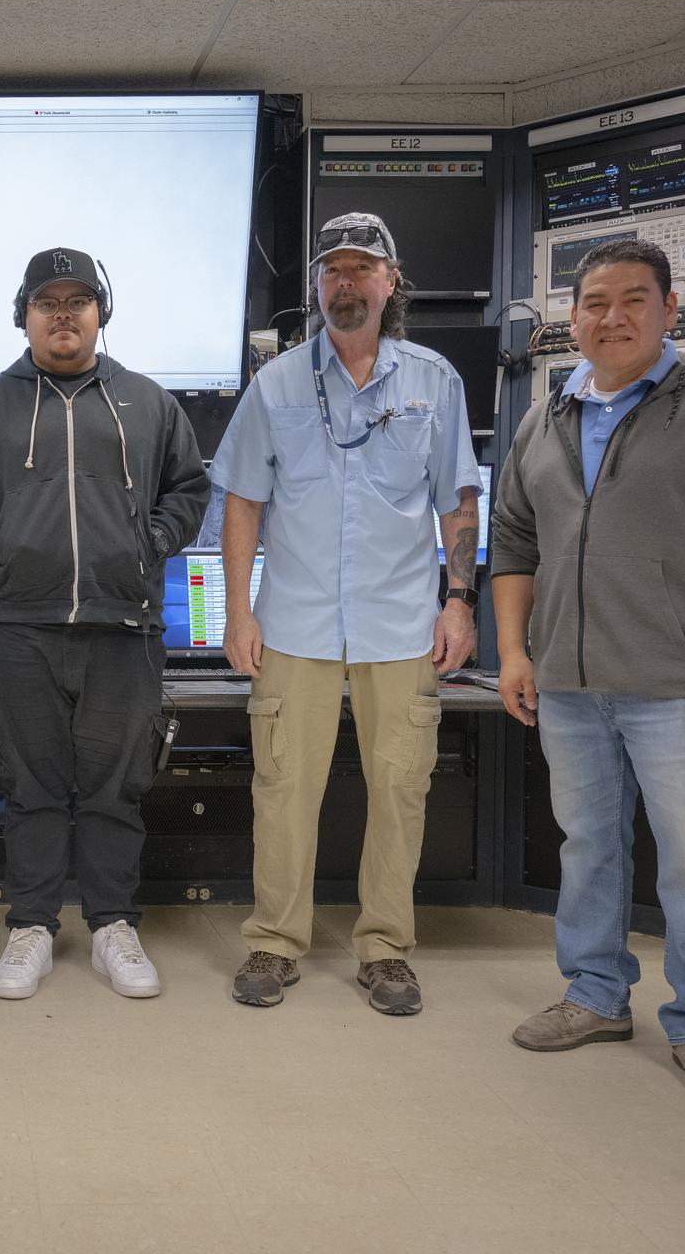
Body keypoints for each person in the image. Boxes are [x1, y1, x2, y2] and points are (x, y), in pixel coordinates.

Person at [493, 237, 685, 1108]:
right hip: (570, 688)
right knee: (588, 848)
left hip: (683, 688)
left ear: (671, 311)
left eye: (634, 300)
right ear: (573, 319)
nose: (612, 317)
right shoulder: (543, 417)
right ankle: (595, 995)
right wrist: (517, 653)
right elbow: (515, 543)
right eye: (594, 302)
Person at [213, 212, 481, 1016]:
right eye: (333, 270)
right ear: (317, 285)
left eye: (363, 269)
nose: (346, 283)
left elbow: (458, 501)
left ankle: (385, 949)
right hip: (292, 623)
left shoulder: (434, 382)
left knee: (399, 788)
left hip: (400, 627)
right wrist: (237, 612)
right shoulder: (279, 383)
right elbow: (242, 504)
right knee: (284, 785)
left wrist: (459, 601)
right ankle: (274, 942)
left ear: (392, 283)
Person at [0, 246, 209, 1000]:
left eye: (77, 301)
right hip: (18, 626)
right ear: (23, 315)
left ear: (101, 312)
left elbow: (188, 490)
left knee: (117, 785)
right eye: (47, 302)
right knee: (32, 786)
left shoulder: (149, 403)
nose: (63, 314)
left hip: (125, 628)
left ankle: (114, 925)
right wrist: (1, 541)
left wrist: (146, 541)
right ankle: (31, 926)